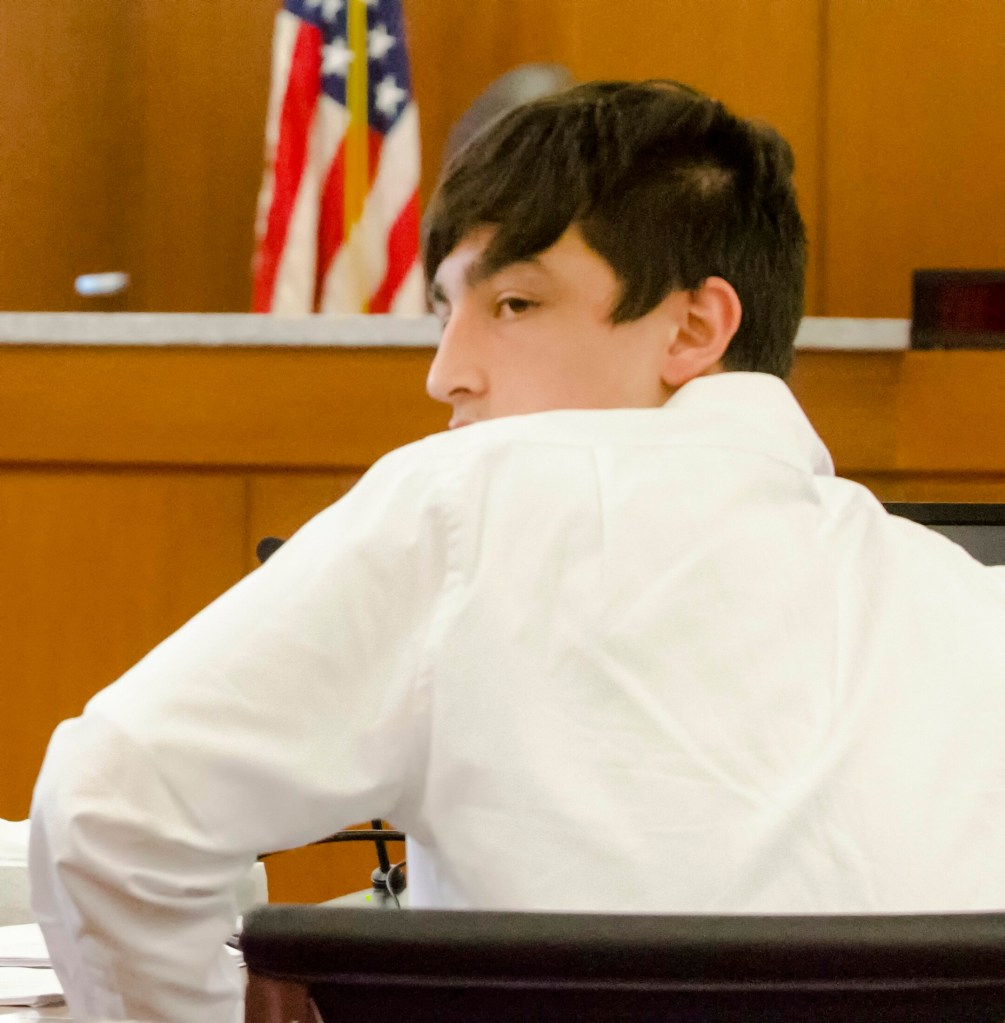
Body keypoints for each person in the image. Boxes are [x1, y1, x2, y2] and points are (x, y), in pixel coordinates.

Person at [29, 79, 1005, 1023]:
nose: (447, 374)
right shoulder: (969, 603)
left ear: (694, 327)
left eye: (515, 305)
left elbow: (108, 816)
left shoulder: (471, 502)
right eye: (445, 313)